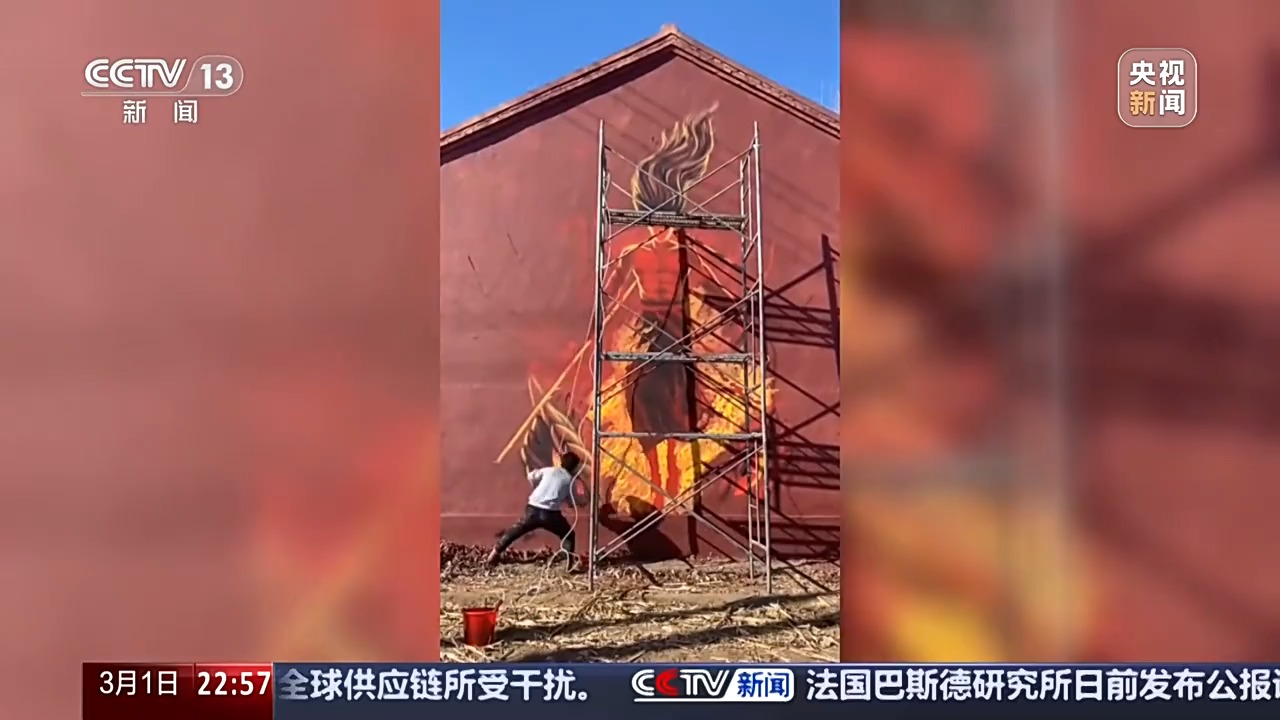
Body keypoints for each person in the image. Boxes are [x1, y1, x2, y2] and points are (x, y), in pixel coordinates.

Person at [486, 451, 584, 569]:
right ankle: (568, 565)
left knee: (515, 531)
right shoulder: (569, 480)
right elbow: (571, 500)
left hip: (533, 509)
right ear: (574, 467)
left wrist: (536, 486)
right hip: (551, 515)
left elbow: (531, 476)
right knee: (568, 535)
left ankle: (493, 555)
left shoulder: (548, 470)